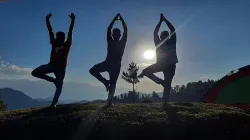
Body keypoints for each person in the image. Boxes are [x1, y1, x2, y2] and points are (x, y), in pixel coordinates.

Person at [31, 13, 75, 108]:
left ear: (64, 38)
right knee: (34, 72)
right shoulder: (54, 43)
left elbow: (70, 31)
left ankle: (53, 104)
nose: (58, 39)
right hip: (51, 65)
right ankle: (54, 81)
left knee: (59, 86)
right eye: (57, 37)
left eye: (60, 37)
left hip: (61, 69)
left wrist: (72, 20)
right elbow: (50, 31)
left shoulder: (67, 45)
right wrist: (47, 20)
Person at [89, 13, 128, 106]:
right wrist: (115, 19)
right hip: (107, 63)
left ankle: (109, 102)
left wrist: (121, 20)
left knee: (113, 83)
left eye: (117, 33)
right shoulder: (110, 40)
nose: (115, 35)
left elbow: (126, 30)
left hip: (116, 66)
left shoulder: (123, 42)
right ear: (113, 34)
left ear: (120, 35)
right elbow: (109, 29)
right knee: (92, 70)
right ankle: (105, 82)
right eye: (114, 33)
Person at [139, 13, 178, 103]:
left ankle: (164, 101)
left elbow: (172, 29)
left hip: (171, 66)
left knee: (167, 86)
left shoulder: (172, 41)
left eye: (165, 36)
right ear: (161, 37)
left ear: (168, 36)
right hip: (160, 64)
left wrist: (165, 20)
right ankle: (162, 82)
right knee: (145, 71)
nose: (164, 37)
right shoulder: (158, 43)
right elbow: (155, 33)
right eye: (162, 36)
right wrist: (160, 22)